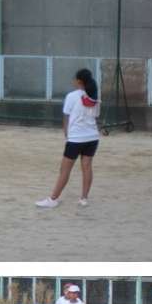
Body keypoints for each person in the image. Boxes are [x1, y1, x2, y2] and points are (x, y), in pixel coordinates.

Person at [36, 68, 100, 209]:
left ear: (79, 81)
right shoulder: (94, 97)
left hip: (76, 138)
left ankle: (53, 199)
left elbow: (66, 116)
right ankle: (84, 199)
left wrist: (66, 133)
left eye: (74, 79)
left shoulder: (72, 96)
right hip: (92, 137)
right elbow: (96, 117)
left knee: (64, 170)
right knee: (87, 167)